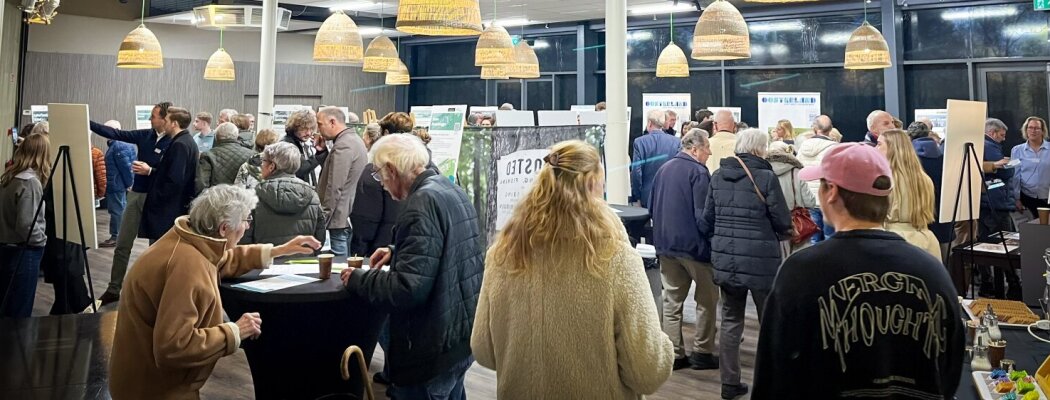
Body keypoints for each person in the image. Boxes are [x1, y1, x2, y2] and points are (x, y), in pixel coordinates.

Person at [751, 143, 964, 399]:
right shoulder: (932, 270)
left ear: (831, 192)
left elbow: (774, 371)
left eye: (821, 184)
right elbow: (951, 368)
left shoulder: (801, 271)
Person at [473, 140, 673, 398]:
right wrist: (664, 346)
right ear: (592, 185)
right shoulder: (617, 260)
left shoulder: (502, 254)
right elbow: (647, 373)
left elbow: (483, 350)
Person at [109, 184, 321, 399]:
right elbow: (173, 347)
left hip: (148, 379)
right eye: (246, 221)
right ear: (223, 228)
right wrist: (235, 331)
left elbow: (221, 259)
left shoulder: (190, 241)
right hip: (154, 390)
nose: (247, 227)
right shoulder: (187, 265)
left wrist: (281, 250)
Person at [341, 134, 484, 398]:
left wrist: (359, 278)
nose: (381, 184)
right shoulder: (446, 187)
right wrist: (398, 250)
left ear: (392, 170)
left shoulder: (420, 204)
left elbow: (407, 288)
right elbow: (449, 247)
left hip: (431, 346)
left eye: (379, 175)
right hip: (459, 338)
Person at [701, 128, 793, 400]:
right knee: (769, 321)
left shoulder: (717, 175)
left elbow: (708, 219)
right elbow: (782, 220)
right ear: (760, 149)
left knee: (730, 320)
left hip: (726, 258)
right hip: (761, 260)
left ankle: (729, 383)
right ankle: (771, 381)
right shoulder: (765, 177)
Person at [88, 101, 173, 305]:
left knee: (157, 248)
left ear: (165, 119)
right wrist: (86, 121)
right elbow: (117, 134)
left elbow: (174, 174)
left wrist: (150, 171)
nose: (149, 119)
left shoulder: (176, 141)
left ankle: (156, 290)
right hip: (137, 194)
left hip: (157, 198)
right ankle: (114, 288)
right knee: (123, 243)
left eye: (153, 116)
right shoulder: (145, 135)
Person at [649, 129, 720, 371]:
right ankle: (702, 351)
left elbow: (652, 205)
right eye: (707, 147)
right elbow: (703, 216)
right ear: (694, 149)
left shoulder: (664, 169)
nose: (709, 152)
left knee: (672, 301)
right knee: (707, 300)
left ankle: (674, 354)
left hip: (666, 245)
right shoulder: (699, 173)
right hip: (695, 248)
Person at [0, 133, 50, 318]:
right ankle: (16, 347)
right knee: (19, 312)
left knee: (7, 307)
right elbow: (26, 224)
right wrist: (42, 241)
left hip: (6, 247)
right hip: (23, 251)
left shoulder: (9, 176)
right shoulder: (30, 183)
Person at [242, 142, 326, 246]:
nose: (261, 165)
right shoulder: (312, 195)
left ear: (271, 166)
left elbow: (245, 236)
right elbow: (320, 236)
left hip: (264, 259)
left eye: (263, 161)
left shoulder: (254, 196)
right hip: (304, 259)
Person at [351, 115, 411, 257]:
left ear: (385, 134)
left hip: (379, 251)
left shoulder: (375, 170)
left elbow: (365, 220)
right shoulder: (423, 168)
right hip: (407, 247)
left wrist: (358, 253)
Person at [877, 129, 941, 259]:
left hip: (893, 243)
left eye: (879, 144)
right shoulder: (924, 179)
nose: (875, 148)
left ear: (892, 148)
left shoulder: (884, 180)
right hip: (926, 242)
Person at [140, 107, 200, 243]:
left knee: (161, 251)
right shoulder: (186, 141)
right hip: (172, 207)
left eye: (166, 120)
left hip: (168, 209)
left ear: (174, 123)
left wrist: (158, 198)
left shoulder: (180, 144)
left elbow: (175, 179)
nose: (163, 123)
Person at [975, 118, 1021, 299]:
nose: (1003, 139)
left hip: (985, 203)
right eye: (1001, 135)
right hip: (996, 204)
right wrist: (1006, 166)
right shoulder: (991, 147)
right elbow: (1007, 171)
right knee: (1006, 247)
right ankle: (1012, 286)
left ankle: (988, 285)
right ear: (992, 133)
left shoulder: (980, 146)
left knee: (984, 245)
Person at [316, 106, 367, 257]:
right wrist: (323, 153)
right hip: (346, 216)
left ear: (332, 122)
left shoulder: (343, 145)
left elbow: (334, 187)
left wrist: (323, 220)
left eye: (320, 124)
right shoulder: (353, 140)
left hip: (338, 219)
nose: (318, 130)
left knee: (337, 268)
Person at [908, 122, 953, 262]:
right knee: (945, 259)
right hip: (944, 214)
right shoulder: (944, 156)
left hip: (920, 216)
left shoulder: (909, 160)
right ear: (929, 134)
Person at [768, 145, 816, 254]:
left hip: (772, 225)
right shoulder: (797, 172)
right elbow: (810, 202)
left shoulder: (762, 172)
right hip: (796, 225)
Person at [630, 109, 680, 208]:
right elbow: (678, 169)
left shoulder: (639, 142)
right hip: (670, 194)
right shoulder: (676, 142)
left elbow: (636, 171)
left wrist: (637, 195)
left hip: (646, 195)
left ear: (649, 123)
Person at [100, 120, 137, 248]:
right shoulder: (119, 144)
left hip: (117, 184)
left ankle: (116, 236)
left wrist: (129, 184)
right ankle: (118, 236)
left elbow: (126, 168)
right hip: (117, 184)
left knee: (117, 210)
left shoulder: (119, 145)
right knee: (118, 209)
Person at [196, 122, 256, 193]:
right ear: (236, 136)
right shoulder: (252, 155)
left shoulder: (208, 155)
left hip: (216, 199)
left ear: (216, 136)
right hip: (243, 200)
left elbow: (201, 184)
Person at [1011, 116, 1050, 217]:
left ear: (1042, 131)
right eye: (1030, 128)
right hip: (1027, 198)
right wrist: (1016, 198)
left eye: (1037, 128)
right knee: (1034, 230)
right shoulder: (1017, 150)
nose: (1033, 131)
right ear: (1026, 130)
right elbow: (1015, 175)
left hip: (1048, 197)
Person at [280, 109, 326, 185]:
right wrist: (319, 154)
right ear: (294, 127)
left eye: (311, 129)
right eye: (304, 129)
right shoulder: (287, 144)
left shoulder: (301, 142)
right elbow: (301, 169)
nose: (308, 133)